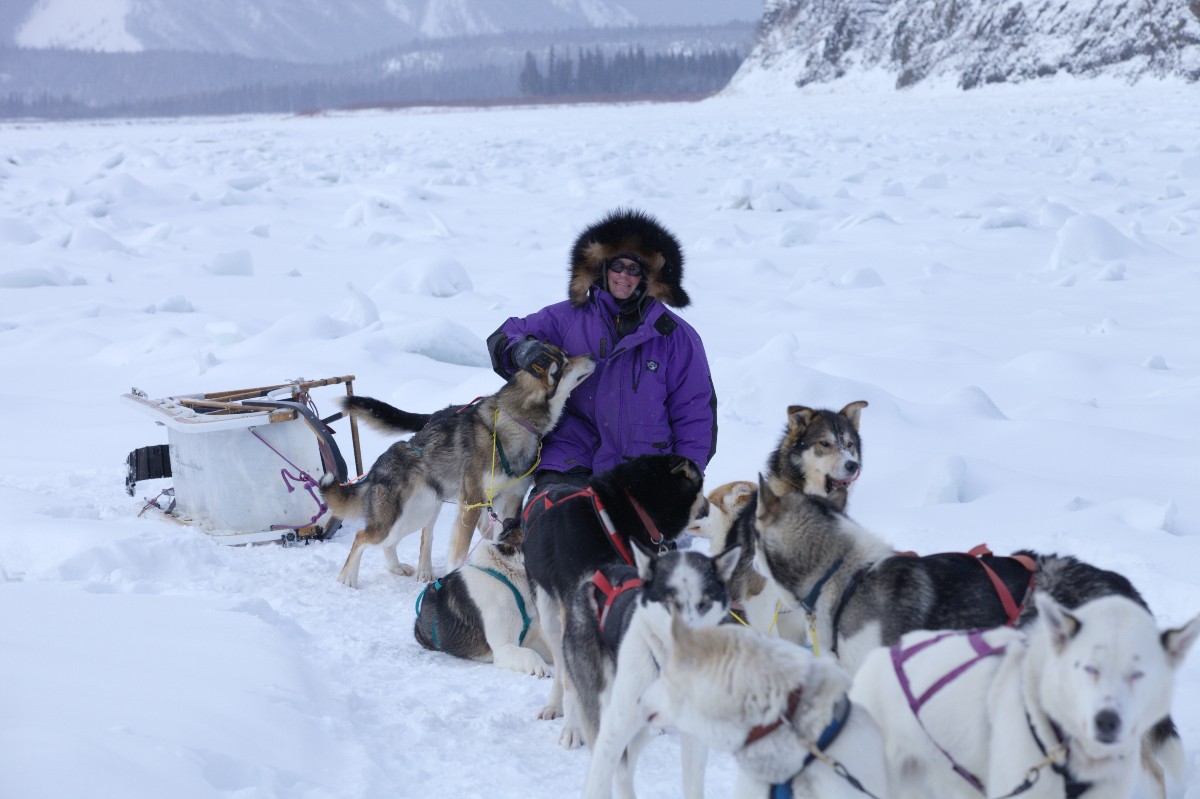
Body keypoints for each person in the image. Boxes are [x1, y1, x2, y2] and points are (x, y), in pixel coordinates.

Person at [487, 208, 717, 497]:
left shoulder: (676, 337)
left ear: (650, 276)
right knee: (555, 529)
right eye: (617, 266)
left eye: (634, 269)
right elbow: (505, 334)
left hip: (646, 468)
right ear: (602, 268)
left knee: (634, 540)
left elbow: (695, 414)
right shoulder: (568, 318)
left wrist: (685, 478)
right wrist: (521, 350)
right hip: (572, 457)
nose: (624, 275)